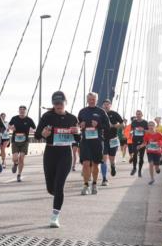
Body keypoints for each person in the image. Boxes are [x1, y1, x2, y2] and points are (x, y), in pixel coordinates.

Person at [34, 91, 79, 227]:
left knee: (59, 186)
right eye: (56, 103)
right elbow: (37, 135)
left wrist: (78, 133)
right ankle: (57, 196)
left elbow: (78, 139)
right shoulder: (47, 116)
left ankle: (55, 217)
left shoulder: (72, 118)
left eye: (61, 103)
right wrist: (43, 133)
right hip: (50, 153)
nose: (58, 106)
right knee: (51, 188)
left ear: (65, 103)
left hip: (65, 154)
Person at [77, 92, 108, 195]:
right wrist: (80, 125)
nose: (91, 100)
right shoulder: (82, 112)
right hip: (85, 141)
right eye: (90, 99)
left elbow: (107, 126)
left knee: (95, 164)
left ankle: (94, 184)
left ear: (96, 100)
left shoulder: (101, 112)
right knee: (85, 163)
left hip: (97, 141)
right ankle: (86, 185)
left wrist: (98, 125)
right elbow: (78, 125)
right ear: (87, 99)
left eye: (93, 99)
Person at [8, 105, 36, 182]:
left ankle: (19, 174)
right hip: (15, 140)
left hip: (25, 141)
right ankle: (15, 163)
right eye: (20, 109)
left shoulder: (29, 120)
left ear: (26, 111)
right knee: (15, 158)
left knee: (22, 158)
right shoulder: (14, 118)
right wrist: (11, 128)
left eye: (23, 109)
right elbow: (8, 125)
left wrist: (32, 130)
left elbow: (34, 128)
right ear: (19, 111)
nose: (22, 111)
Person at [100, 99, 124, 185]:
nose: (106, 106)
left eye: (108, 104)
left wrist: (113, 125)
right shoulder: (100, 114)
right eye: (105, 104)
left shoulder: (114, 114)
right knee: (103, 159)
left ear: (110, 105)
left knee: (111, 158)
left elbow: (122, 125)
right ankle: (104, 179)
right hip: (103, 140)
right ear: (102, 105)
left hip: (113, 139)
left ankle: (113, 165)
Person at [128, 110, 149, 177]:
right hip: (135, 141)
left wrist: (143, 130)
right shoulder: (133, 122)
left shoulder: (145, 122)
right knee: (135, 154)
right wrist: (131, 132)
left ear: (142, 115)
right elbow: (131, 129)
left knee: (141, 157)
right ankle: (134, 168)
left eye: (139, 114)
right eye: (137, 114)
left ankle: (140, 170)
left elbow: (148, 131)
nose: (138, 115)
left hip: (142, 141)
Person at [143, 120, 162, 185]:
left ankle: (158, 167)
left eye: (152, 125)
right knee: (151, 164)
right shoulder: (146, 135)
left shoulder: (159, 134)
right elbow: (145, 142)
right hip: (149, 151)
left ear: (154, 126)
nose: (151, 126)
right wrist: (143, 146)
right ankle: (152, 179)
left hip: (157, 152)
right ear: (148, 126)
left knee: (156, 167)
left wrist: (159, 143)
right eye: (149, 125)